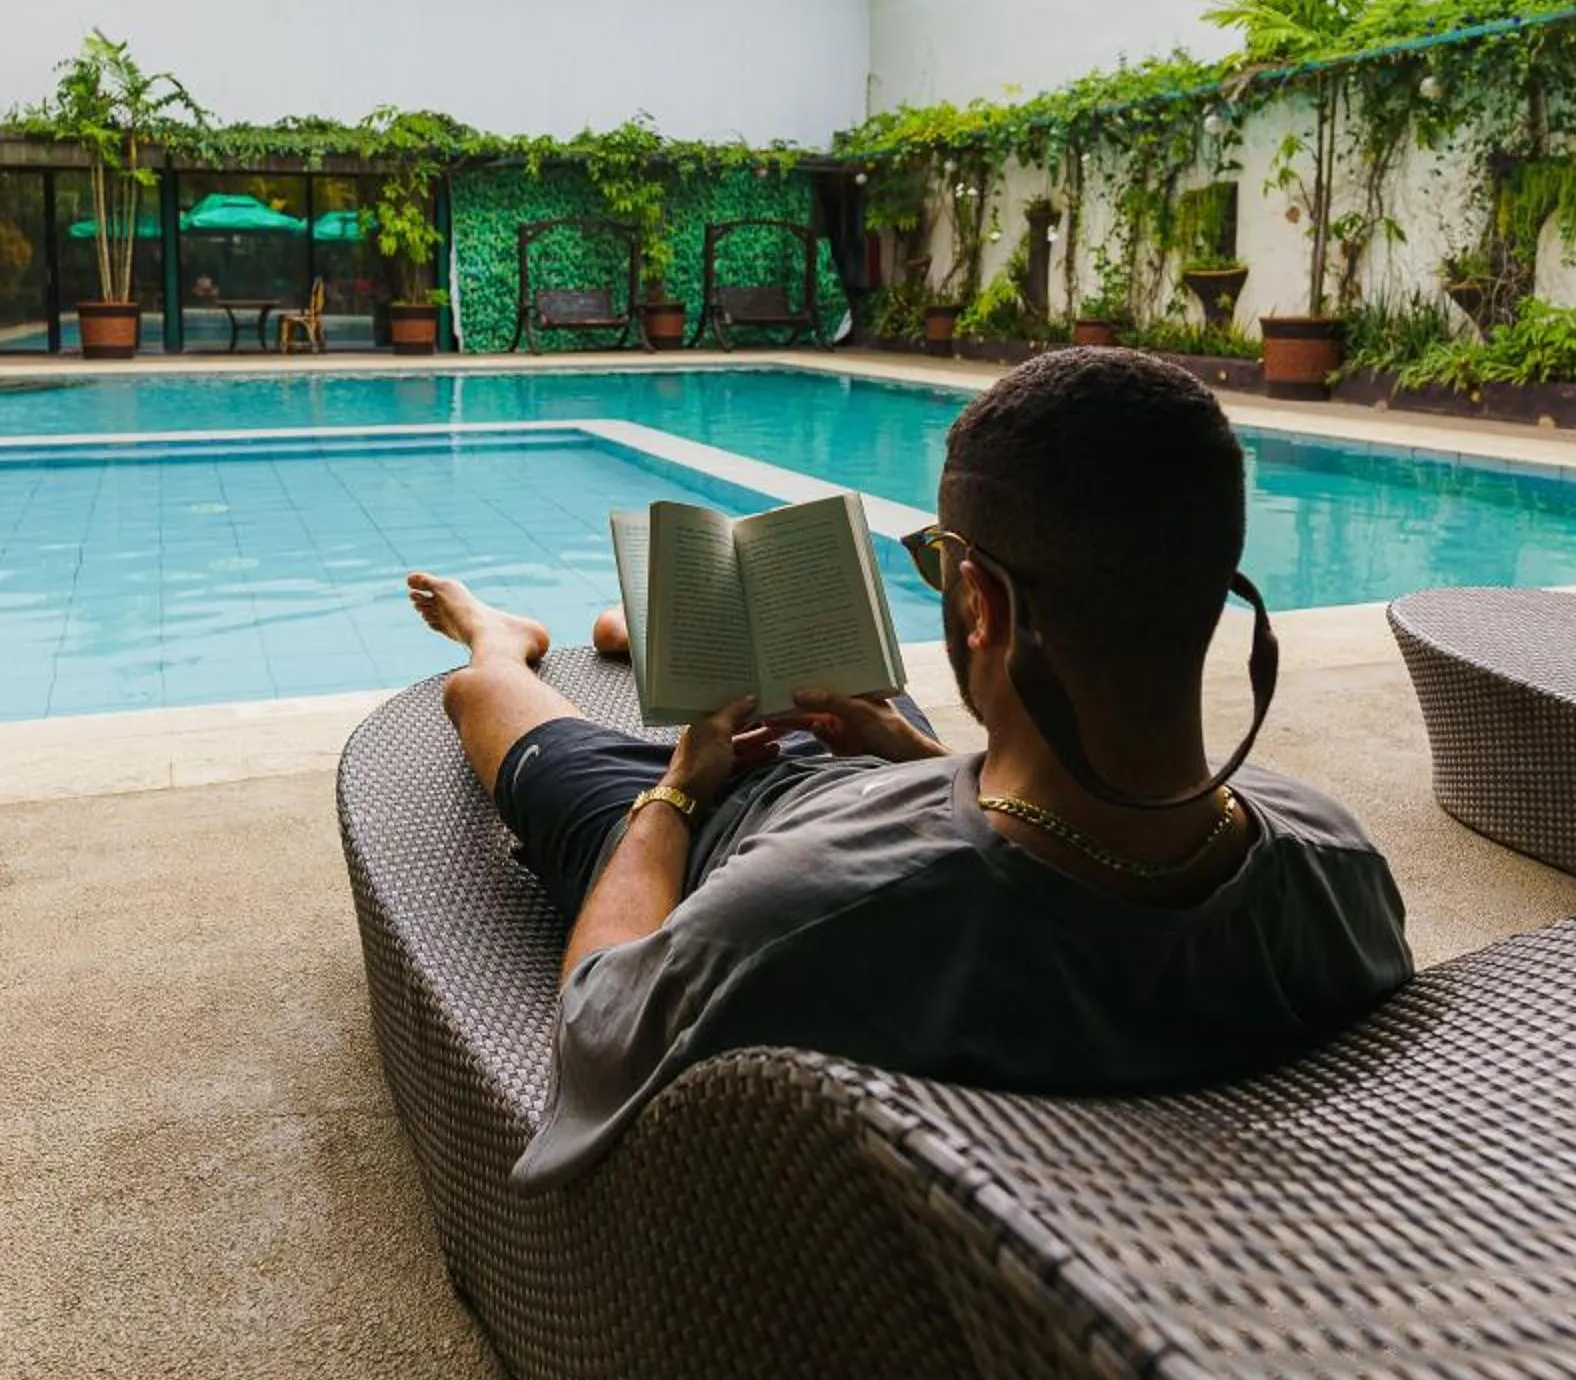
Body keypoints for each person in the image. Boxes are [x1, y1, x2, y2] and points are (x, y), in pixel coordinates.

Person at [405, 350, 1410, 1190]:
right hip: (896, 779)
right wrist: (922, 757)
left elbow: (593, 1029)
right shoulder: (1331, 860)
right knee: (806, 694)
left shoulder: (804, 917)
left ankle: (498, 636)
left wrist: (672, 797)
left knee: (481, 699)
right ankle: (649, 640)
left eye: (937, 564)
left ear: (980, 604)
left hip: (739, 822)